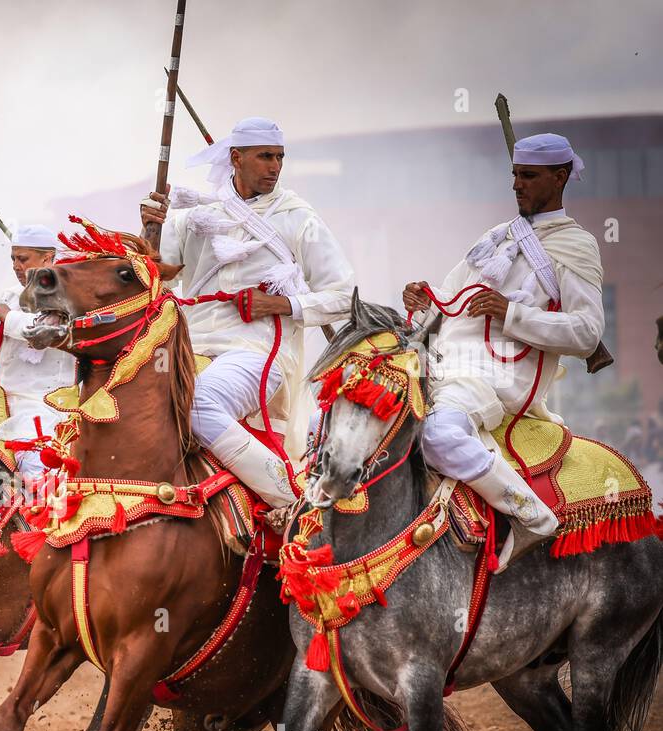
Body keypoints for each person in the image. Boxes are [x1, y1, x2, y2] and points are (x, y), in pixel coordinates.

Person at [404, 133, 605, 570]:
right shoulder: (495, 236)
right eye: (515, 175)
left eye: (529, 176)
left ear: (560, 176)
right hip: (441, 364)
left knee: (436, 437)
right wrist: (424, 298)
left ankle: (530, 514)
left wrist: (510, 313)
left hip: (491, 382)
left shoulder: (576, 246)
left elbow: (587, 334)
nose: (517, 185)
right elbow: (452, 296)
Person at [139, 117, 354, 507]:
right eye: (265, 157)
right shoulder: (194, 216)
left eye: (279, 157)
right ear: (236, 158)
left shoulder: (297, 217)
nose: (275, 167)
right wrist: (148, 234)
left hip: (257, 354)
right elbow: (153, 284)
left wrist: (282, 304)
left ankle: (290, 502)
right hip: (190, 350)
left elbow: (344, 294)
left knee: (196, 404)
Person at [0, 224, 75, 475]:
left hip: (41, 408)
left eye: (22, 259)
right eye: (13, 258)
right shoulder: (10, 295)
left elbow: (48, 333)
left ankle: (43, 512)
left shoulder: (70, 295)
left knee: (35, 469)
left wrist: (8, 318)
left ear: (47, 257)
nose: (15, 265)